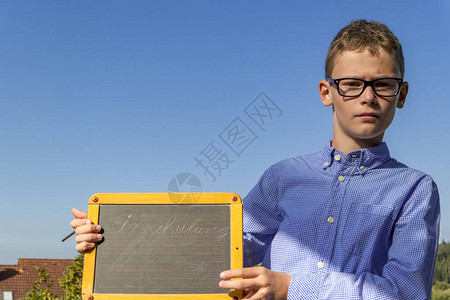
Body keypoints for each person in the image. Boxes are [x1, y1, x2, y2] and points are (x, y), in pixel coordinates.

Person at [71, 19, 440, 299]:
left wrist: (290, 288)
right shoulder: (283, 177)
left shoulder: (415, 189)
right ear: (327, 92)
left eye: (383, 85)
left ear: (402, 94)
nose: (367, 97)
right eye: (351, 84)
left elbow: (404, 290)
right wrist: (114, 236)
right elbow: (216, 249)